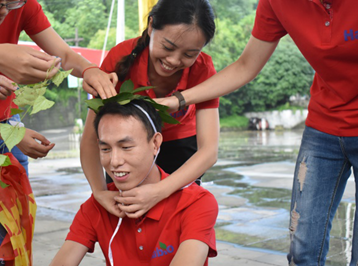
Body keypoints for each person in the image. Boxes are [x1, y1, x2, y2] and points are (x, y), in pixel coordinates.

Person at [126, 0, 357, 265]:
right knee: (302, 250)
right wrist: (179, 99)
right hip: (324, 125)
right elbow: (247, 65)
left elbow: (208, 151)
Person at [0, 1, 118, 265]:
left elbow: (64, 55)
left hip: (8, 124)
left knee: (17, 229)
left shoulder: (23, 7)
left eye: (12, 3)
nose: (2, 12)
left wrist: (89, 69)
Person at [80, 0, 219, 219]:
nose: (173, 60)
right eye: (168, 47)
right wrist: (99, 192)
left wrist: (160, 191)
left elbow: (209, 150)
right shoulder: (121, 58)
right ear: (151, 25)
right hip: (128, 148)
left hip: (180, 148)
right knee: (127, 217)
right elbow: (91, 138)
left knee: (176, 218)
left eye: (189, 54)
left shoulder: (202, 68)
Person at [50, 99, 218, 266]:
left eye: (126, 147)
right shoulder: (99, 205)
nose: (114, 161)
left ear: (155, 143)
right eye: (105, 149)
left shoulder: (196, 202)